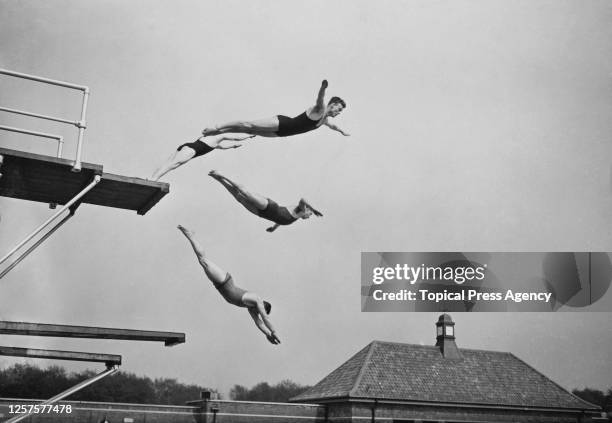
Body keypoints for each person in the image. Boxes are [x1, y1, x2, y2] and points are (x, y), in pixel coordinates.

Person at [178, 225, 280, 345]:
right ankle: (190, 236)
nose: (257, 312)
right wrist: (273, 331)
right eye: (259, 310)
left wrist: (268, 335)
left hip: (220, 285)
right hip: (225, 281)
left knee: (203, 261)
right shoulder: (256, 299)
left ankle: (191, 236)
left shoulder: (251, 308)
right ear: (262, 305)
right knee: (203, 260)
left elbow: (259, 323)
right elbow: (264, 318)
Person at [201, 80, 349, 138]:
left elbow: (333, 126)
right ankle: (217, 127)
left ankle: (218, 133)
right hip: (282, 123)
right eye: (339, 109)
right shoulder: (321, 109)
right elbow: (320, 98)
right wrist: (323, 87)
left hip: (281, 133)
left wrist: (342, 131)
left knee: (250, 131)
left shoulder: (325, 120)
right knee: (249, 124)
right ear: (334, 104)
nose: (339, 112)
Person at [208, 170, 322, 232]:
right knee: (245, 193)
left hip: (261, 214)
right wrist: (314, 209)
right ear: (307, 210)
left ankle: (219, 180)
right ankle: (222, 175)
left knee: (240, 198)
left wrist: (274, 228)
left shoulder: (295, 218)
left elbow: (280, 220)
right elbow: (303, 199)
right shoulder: (301, 210)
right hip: (269, 207)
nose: (309, 216)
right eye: (310, 214)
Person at [149, 134, 254, 181]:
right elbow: (235, 138)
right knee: (171, 166)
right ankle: (154, 178)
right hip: (191, 151)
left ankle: (152, 178)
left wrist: (232, 147)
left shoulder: (213, 141)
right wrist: (248, 136)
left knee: (168, 163)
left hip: (187, 146)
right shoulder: (219, 137)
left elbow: (222, 147)